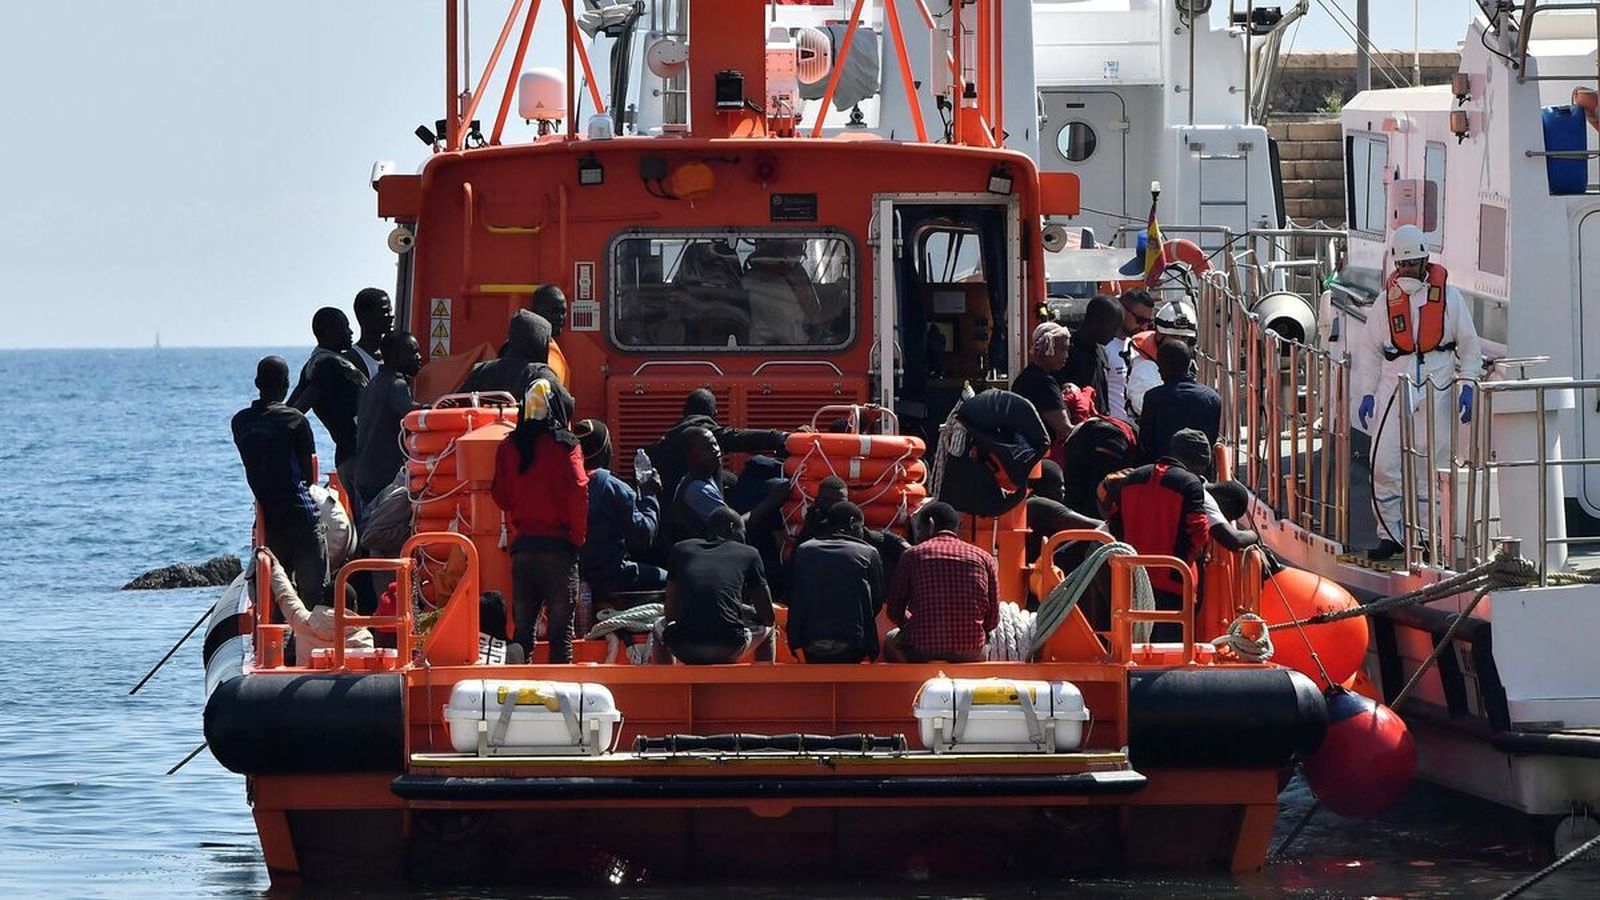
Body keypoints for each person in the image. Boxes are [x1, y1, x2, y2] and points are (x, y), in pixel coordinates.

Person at [1353, 224, 1482, 560]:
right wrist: (1367, 392)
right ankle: (1391, 534)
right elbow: (1368, 351)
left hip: (1437, 389)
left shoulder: (1450, 299)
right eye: (1402, 265)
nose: (1407, 270)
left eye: (1412, 264)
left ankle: (1427, 536)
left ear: (1425, 260)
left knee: (1431, 467)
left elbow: (1469, 348)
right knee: (1383, 464)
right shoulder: (1385, 303)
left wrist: (1467, 385)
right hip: (1395, 388)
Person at [490, 379, 589, 662]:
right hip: (560, 550)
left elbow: (500, 496)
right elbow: (580, 489)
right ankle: (562, 698)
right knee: (561, 636)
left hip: (524, 551)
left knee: (523, 634)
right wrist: (578, 537)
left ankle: (520, 696)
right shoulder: (568, 445)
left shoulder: (508, 447)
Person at [1099, 428, 1214, 640]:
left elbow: (1115, 523)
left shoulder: (1134, 477)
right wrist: (1191, 559)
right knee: (1170, 651)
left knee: (1133, 644)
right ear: (1199, 462)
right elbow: (1198, 531)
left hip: (1132, 581)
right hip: (1175, 582)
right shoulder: (1191, 483)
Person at [234, 356, 328, 607]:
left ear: (257, 382)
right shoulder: (295, 420)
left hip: (269, 515)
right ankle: (308, 639)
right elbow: (309, 477)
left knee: (278, 590)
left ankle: (277, 639)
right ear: (286, 384)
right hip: (300, 515)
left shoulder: (240, 422)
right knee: (313, 592)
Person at [882, 502, 1000, 663]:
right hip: (970, 652)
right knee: (986, 647)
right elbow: (993, 619)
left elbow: (894, 611)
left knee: (890, 640)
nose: (918, 536)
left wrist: (914, 626)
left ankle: (912, 684)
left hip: (922, 651)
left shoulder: (912, 555)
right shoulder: (984, 558)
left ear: (931, 524)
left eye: (920, 530)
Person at [660, 507, 777, 664]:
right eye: (743, 532)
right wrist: (746, 611)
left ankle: (667, 682)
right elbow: (768, 618)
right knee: (769, 631)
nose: (744, 538)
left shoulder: (681, 549)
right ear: (732, 528)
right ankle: (764, 685)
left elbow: (670, 613)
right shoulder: (749, 553)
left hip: (685, 647)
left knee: (657, 626)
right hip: (729, 647)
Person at [575, 419, 667, 601]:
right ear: (605, 450)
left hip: (574, 576)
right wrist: (649, 494)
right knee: (672, 579)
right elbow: (643, 535)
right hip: (612, 576)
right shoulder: (611, 486)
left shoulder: (563, 483)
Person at [645, 388, 787, 500]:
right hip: (687, 515)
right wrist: (779, 438)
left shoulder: (672, 435)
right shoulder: (700, 432)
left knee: (731, 479)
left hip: (667, 506)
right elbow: (737, 437)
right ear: (714, 414)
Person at [787, 502, 883, 664]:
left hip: (809, 643)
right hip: (853, 643)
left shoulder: (804, 550)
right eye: (862, 527)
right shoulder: (868, 553)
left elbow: (791, 594)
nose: (862, 532)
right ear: (853, 522)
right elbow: (876, 602)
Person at [288, 307, 368, 489]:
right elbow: (297, 411)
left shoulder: (312, 364)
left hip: (348, 456)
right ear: (327, 332)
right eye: (344, 327)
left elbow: (289, 409)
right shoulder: (329, 365)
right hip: (360, 455)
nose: (350, 332)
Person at [256, 548, 372, 665]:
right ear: (354, 606)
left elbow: (286, 596)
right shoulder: (363, 637)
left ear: (324, 601)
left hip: (304, 682)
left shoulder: (303, 622)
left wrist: (276, 567)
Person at [353, 331, 423, 506]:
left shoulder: (374, 383)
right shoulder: (396, 384)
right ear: (395, 356)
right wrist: (436, 409)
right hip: (384, 478)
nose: (419, 357)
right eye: (413, 352)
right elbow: (411, 415)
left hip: (365, 475)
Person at [1137, 339, 1221, 462]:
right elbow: (1212, 439)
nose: (1158, 371)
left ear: (1163, 366)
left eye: (1159, 365)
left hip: (1162, 472)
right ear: (1189, 364)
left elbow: (1146, 443)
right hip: (1199, 472)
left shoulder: (1154, 398)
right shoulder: (1212, 398)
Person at [461, 310, 566, 402]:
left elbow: (458, 400)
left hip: (481, 424)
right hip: (525, 424)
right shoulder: (541, 374)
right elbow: (566, 404)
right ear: (540, 340)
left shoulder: (480, 371)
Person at [1123, 299, 1198, 418]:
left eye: (1184, 338)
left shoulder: (1190, 365)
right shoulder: (1144, 367)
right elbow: (1144, 407)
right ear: (1159, 335)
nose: (1179, 343)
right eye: (1174, 336)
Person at [1058, 411, 1141, 519]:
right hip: (1111, 437)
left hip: (1084, 435)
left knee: (1075, 490)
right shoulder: (1134, 437)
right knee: (1103, 490)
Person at [742, 238, 818, 345]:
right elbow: (794, 338)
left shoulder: (792, 273)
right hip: (778, 352)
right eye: (795, 250)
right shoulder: (767, 286)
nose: (798, 257)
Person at [1026, 460, 1102, 565]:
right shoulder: (1041, 505)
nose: (1063, 490)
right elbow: (1097, 526)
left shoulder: (1026, 503)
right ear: (1046, 485)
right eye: (1060, 484)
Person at [1010, 322, 1073, 446]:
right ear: (1046, 348)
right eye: (1062, 349)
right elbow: (1065, 430)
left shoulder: (1025, 377)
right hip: (1041, 456)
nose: (1066, 356)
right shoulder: (1044, 384)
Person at [1063, 294, 1121, 414]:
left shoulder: (1101, 352)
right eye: (1113, 327)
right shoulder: (1067, 351)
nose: (1115, 334)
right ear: (1096, 321)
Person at [1106, 290, 1155, 418]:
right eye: (1140, 320)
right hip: (1111, 428)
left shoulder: (1138, 347)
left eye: (1148, 323)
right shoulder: (1104, 348)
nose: (1144, 328)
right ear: (1122, 310)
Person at [346, 287, 393, 380]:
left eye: (390, 311)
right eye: (385, 311)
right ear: (364, 315)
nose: (391, 316)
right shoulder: (351, 360)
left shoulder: (394, 355)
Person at [530, 284, 571, 387]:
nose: (560, 317)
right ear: (535, 313)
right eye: (553, 312)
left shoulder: (551, 345)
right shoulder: (529, 350)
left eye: (563, 312)